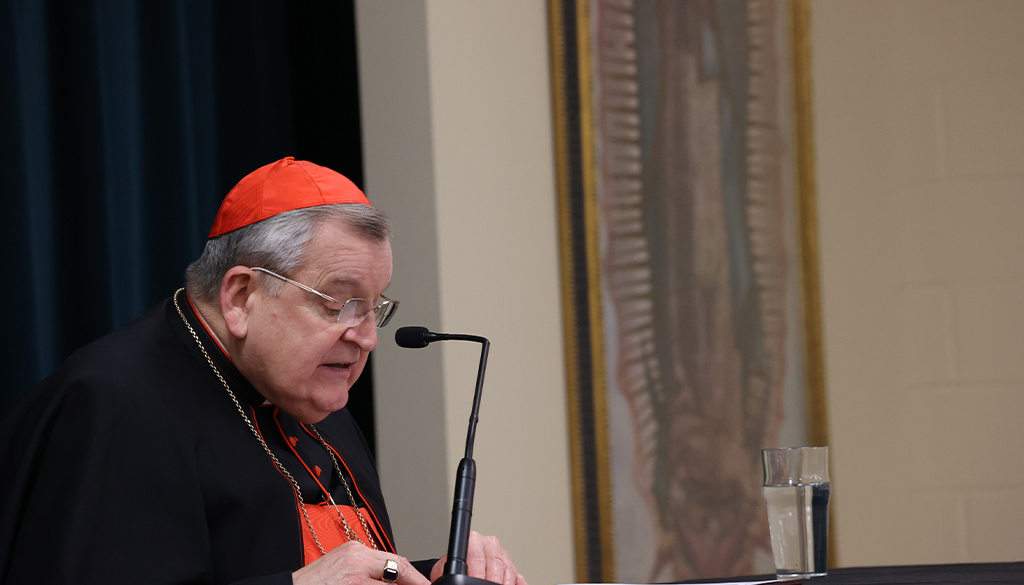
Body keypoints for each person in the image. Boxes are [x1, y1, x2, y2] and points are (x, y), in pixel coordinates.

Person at [0, 157, 527, 585]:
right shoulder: (112, 403)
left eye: (375, 307)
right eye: (339, 303)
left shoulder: (304, 386)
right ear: (241, 296)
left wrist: (437, 576)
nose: (366, 336)